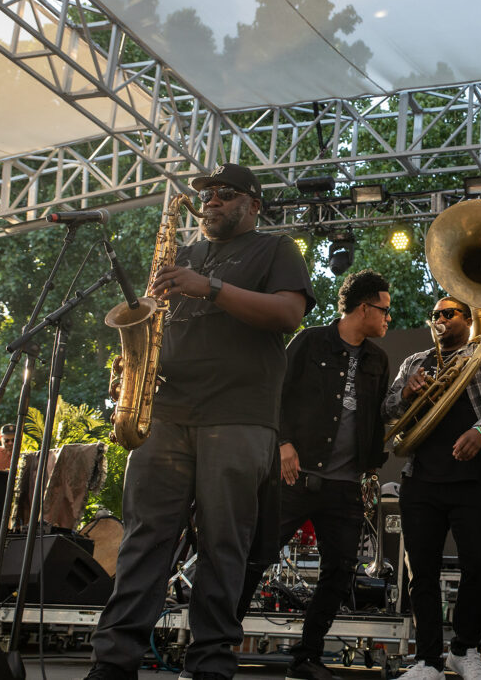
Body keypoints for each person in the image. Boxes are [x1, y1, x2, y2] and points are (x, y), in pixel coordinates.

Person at [86, 163, 315, 680]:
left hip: (237, 417)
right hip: (164, 412)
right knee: (144, 540)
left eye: (224, 193)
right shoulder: (182, 255)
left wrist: (208, 286)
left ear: (253, 204)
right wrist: (133, 363)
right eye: (205, 192)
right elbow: (155, 319)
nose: (210, 199)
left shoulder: (274, 250)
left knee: (222, 544)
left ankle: (211, 663)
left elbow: (287, 315)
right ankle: (114, 661)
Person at [237, 269, 392, 680]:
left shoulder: (379, 359)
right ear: (364, 308)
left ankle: (306, 658)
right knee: (256, 558)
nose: (388, 319)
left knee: (340, 572)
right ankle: (218, 643)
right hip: (296, 477)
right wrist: (283, 443)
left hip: (346, 486)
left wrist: (371, 470)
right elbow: (273, 392)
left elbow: (376, 420)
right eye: (385, 310)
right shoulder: (309, 341)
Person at [383, 297, 481, 680]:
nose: (440, 319)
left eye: (449, 313)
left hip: (474, 481)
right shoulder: (414, 361)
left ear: (468, 317)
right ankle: (427, 660)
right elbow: (388, 409)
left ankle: (464, 649)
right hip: (422, 481)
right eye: (436, 315)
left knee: (478, 565)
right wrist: (405, 393)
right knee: (420, 572)